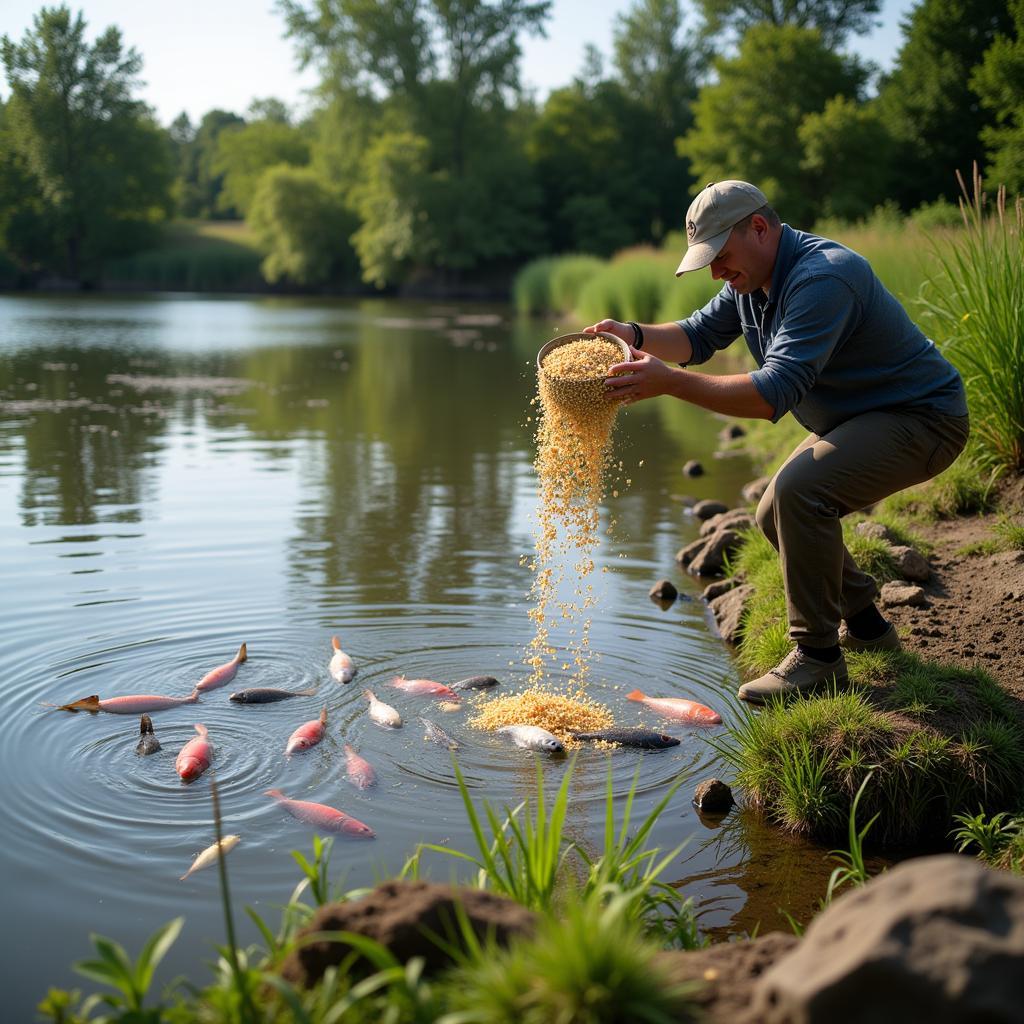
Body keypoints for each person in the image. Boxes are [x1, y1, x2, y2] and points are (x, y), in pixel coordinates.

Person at [586, 180, 969, 704]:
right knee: (773, 513)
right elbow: (697, 337)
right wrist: (632, 336)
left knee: (800, 494)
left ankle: (818, 659)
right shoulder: (753, 279)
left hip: (923, 419)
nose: (716, 271)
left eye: (720, 256)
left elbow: (774, 394)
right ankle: (868, 625)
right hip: (860, 416)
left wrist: (670, 383)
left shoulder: (823, 277)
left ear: (760, 228)